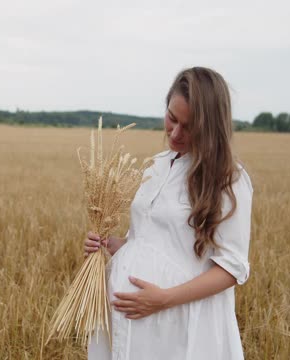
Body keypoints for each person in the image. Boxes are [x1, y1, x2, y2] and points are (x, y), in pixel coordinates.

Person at [84, 66, 254, 360]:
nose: (175, 133)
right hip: (131, 318)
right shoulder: (157, 165)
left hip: (179, 323)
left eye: (188, 127)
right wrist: (110, 245)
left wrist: (164, 299)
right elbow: (152, 242)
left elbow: (231, 269)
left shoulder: (228, 180)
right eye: (171, 119)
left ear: (210, 127)